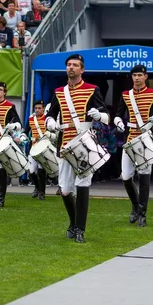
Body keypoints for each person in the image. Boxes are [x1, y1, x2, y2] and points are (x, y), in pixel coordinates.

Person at [45, 54, 109, 243]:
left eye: (75, 65)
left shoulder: (92, 89)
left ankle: (80, 229)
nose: (71, 67)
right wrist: (49, 122)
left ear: (82, 70)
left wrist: (99, 115)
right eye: (69, 65)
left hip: (85, 143)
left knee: (83, 184)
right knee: (64, 189)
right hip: (65, 143)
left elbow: (106, 116)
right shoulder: (59, 92)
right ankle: (73, 223)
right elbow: (51, 114)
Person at [113, 65, 153, 227]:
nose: (136, 78)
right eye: (134, 75)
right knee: (126, 176)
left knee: (144, 175)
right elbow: (118, 114)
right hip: (130, 138)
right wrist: (119, 122)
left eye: (139, 75)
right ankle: (136, 205)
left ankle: (142, 213)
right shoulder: (125, 95)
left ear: (145, 77)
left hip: (146, 138)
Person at [22, 100, 54, 200]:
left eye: (39, 108)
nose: (37, 110)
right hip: (34, 148)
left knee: (41, 171)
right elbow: (26, 131)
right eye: (36, 108)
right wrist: (23, 136)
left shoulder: (47, 119)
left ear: (43, 108)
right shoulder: (31, 118)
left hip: (44, 148)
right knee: (31, 171)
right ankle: (37, 187)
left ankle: (42, 193)